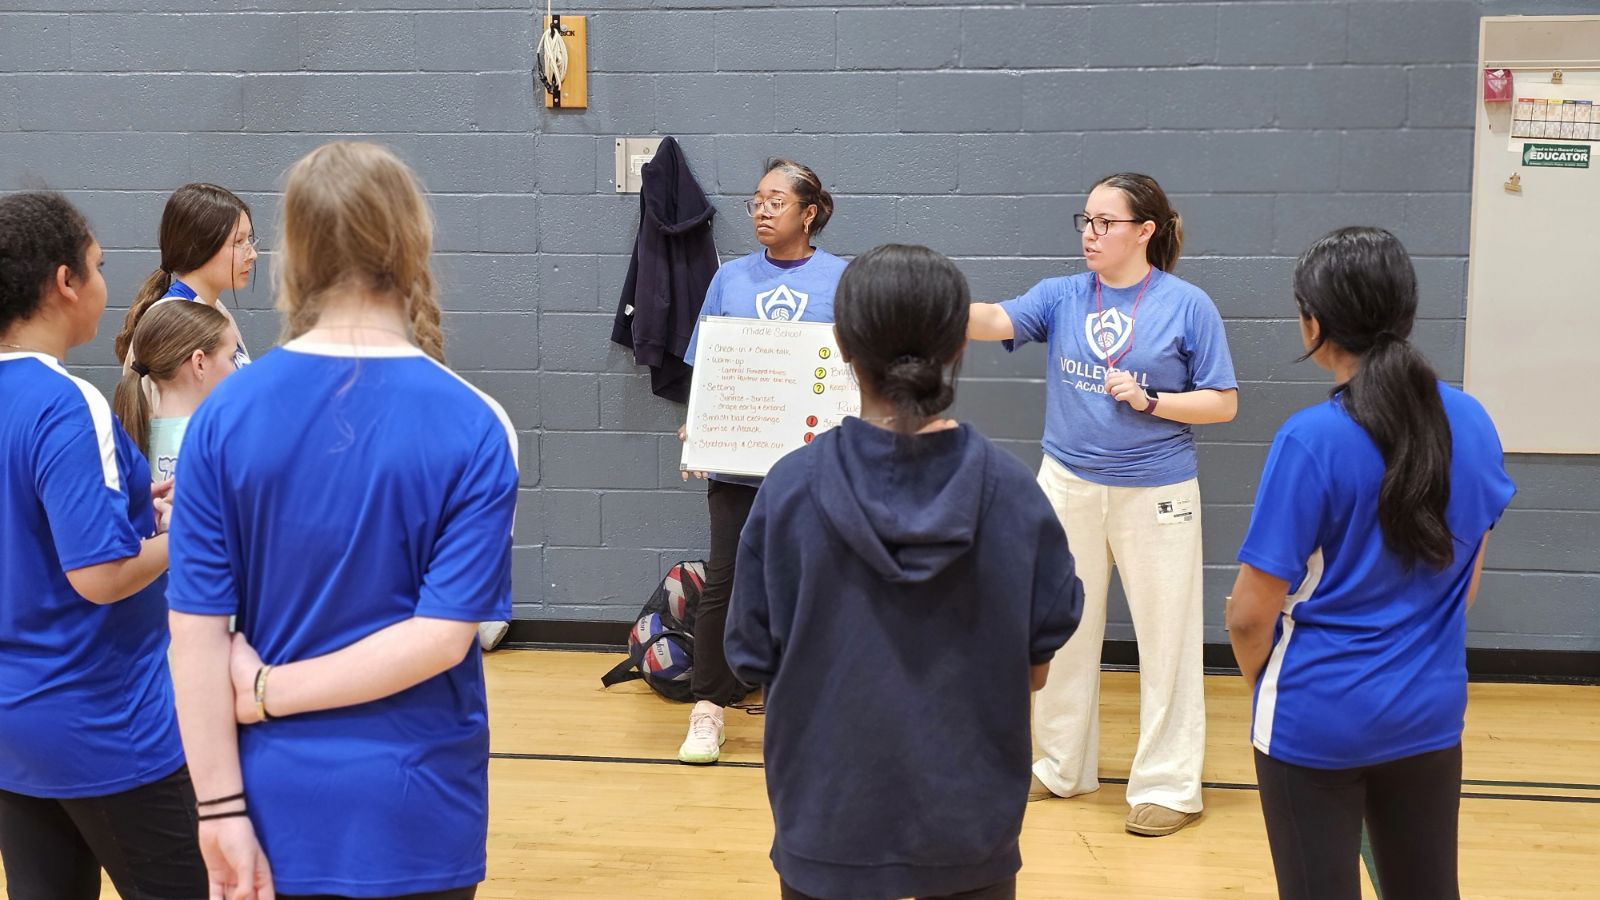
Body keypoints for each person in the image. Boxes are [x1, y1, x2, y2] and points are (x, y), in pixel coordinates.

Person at [166, 141, 519, 900]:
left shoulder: (224, 414)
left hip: (269, 798)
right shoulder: (473, 424)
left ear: (296, 252)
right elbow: (439, 637)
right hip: (416, 804)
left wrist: (220, 801)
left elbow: (194, 636)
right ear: (412, 243)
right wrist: (263, 691)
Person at [725, 244, 1084, 900]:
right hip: (969, 831)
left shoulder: (789, 492)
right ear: (959, 349)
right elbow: (1036, 666)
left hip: (826, 826)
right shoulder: (1017, 494)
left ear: (839, 345)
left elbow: (751, 658)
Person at [1227, 226, 1515, 900]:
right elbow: (1466, 576)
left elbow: (1248, 617)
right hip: (1431, 713)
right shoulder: (1472, 420)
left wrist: (1271, 688)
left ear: (1314, 324)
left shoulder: (1310, 440)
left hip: (1315, 719)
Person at [967, 172, 1238, 836]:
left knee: (1166, 637)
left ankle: (1169, 785)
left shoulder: (1186, 304)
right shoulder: (1063, 295)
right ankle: (1061, 766)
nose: (1089, 234)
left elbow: (1223, 402)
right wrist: (917, 300)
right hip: (1067, 485)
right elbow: (997, 319)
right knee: (1061, 629)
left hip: (1157, 489)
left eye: (1104, 223)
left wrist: (1153, 401)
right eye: (1084, 221)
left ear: (1145, 231)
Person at [0, 191, 207, 898]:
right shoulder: (66, 403)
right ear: (64, 282)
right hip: (104, 725)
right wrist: (189, 533)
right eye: (97, 265)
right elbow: (100, 573)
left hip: (15, 728)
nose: (103, 280)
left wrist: (124, 505)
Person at [675, 158, 846, 765]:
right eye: (756, 201)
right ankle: (708, 709)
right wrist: (701, 427)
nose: (763, 210)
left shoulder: (842, 279)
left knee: (811, 581)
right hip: (738, 463)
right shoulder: (731, 280)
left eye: (777, 201)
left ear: (809, 212)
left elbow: (857, 372)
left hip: (815, 467)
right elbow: (711, 366)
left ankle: (801, 709)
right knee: (725, 578)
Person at [113, 182, 256, 376]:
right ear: (200, 247)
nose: (252, 254)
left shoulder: (214, 309)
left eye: (249, 240)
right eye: (239, 242)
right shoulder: (173, 325)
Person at [111, 298, 242, 481]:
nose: (236, 369)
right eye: (231, 358)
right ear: (200, 363)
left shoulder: (130, 434)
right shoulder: (217, 443)